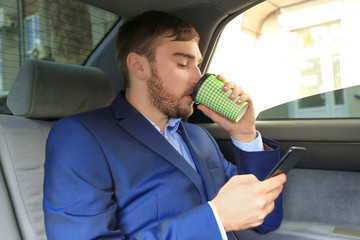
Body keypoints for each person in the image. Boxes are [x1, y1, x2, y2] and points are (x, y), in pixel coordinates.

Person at [43, 10, 286, 240]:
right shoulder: (81, 137)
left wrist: (244, 133)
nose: (198, 77)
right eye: (183, 64)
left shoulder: (199, 136)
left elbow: (266, 220)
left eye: (198, 64)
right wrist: (217, 218)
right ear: (139, 66)